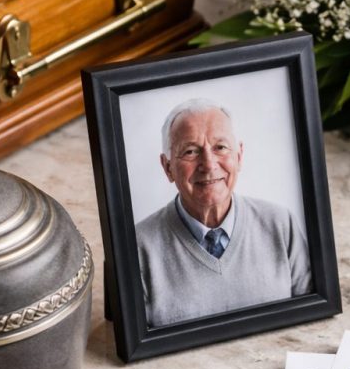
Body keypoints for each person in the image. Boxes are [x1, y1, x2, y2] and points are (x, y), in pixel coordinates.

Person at [134, 98, 313, 326]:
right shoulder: (137, 246)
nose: (208, 164)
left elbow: (309, 322)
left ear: (239, 156)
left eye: (220, 147)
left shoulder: (281, 224)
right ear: (168, 167)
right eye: (190, 151)